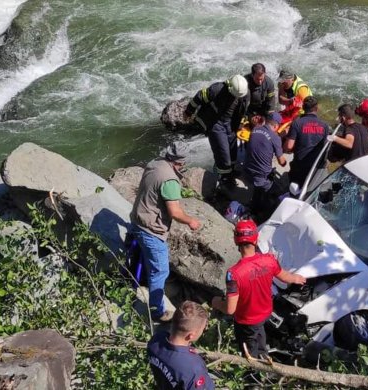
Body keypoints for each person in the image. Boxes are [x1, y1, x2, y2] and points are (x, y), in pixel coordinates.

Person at [211, 219, 306, 358]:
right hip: (266, 311)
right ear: (256, 240)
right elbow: (285, 277)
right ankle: (264, 349)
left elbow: (230, 309)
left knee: (252, 354)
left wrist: (216, 302)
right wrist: (296, 278)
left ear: (236, 241)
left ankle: (257, 368)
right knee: (260, 333)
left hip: (247, 321)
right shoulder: (269, 260)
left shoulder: (233, 274)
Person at [131, 142, 201, 322]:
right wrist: (191, 221)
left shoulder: (155, 163)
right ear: (181, 162)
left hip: (138, 218)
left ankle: (138, 280)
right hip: (151, 229)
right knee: (160, 271)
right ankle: (157, 312)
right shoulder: (170, 180)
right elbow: (175, 212)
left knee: (146, 259)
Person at [183, 75, 250, 186]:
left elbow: (244, 110)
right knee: (222, 153)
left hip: (231, 123)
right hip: (216, 123)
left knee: (232, 150)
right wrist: (188, 112)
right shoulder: (217, 89)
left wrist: (241, 123)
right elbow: (199, 97)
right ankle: (224, 178)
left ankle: (231, 172)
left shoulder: (245, 93)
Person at [147, 300, 215, 390]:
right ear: (191, 335)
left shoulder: (156, 340)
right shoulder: (194, 368)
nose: (203, 331)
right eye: (203, 329)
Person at [244, 112, 287, 216]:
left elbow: (264, 140)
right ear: (276, 126)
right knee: (277, 193)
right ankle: (261, 212)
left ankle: (256, 203)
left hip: (247, 171)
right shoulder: (275, 138)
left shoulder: (255, 130)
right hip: (262, 177)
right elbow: (282, 163)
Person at [284, 96, 331, 186]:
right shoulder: (325, 125)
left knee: (294, 186)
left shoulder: (297, 123)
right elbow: (325, 146)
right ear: (316, 108)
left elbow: (289, 146)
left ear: (303, 108)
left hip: (300, 163)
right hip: (316, 164)